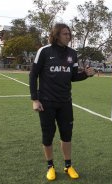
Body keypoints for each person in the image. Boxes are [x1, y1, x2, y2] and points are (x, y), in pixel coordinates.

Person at [29, 23, 95, 181]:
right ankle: (50, 167)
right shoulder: (44, 51)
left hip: (65, 102)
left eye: (69, 34)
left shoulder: (72, 53)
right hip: (46, 102)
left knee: (67, 135)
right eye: (65, 34)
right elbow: (33, 75)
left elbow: (73, 76)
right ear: (56, 35)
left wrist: (86, 74)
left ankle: (68, 165)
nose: (68, 36)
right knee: (48, 135)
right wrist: (35, 99)